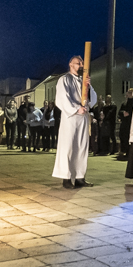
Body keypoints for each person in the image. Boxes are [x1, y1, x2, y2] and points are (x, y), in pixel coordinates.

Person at [52, 55, 97, 188]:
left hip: (83, 118)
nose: (81, 66)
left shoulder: (83, 80)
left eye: (82, 63)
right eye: (79, 63)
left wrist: (88, 86)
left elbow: (92, 99)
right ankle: (66, 178)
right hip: (70, 118)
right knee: (68, 147)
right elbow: (62, 98)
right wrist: (77, 109)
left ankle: (79, 177)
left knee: (82, 147)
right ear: (71, 64)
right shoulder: (64, 79)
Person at [117, 94, 133, 160]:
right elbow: (119, 112)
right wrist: (123, 113)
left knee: (128, 138)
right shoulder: (124, 104)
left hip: (130, 123)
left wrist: (128, 114)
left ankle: (128, 152)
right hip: (124, 123)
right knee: (122, 136)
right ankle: (123, 151)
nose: (127, 96)